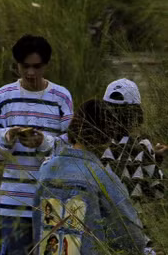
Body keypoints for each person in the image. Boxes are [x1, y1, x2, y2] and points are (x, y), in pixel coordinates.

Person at [0, 35, 74, 255]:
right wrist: (8, 137)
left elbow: (71, 148)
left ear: (46, 65)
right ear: (16, 65)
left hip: (53, 197)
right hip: (14, 198)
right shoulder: (3, 97)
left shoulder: (61, 97)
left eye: (37, 66)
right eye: (25, 66)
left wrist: (43, 142)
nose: (31, 73)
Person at [33, 99, 147, 254]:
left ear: (73, 128)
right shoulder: (104, 178)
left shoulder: (46, 170)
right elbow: (132, 238)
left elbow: (37, 227)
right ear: (107, 136)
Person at [100, 78, 166, 200]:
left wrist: (151, 154)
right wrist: (156, 158)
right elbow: (157, 192)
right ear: (136, 112)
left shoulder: (96, 142)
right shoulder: (142, 145)